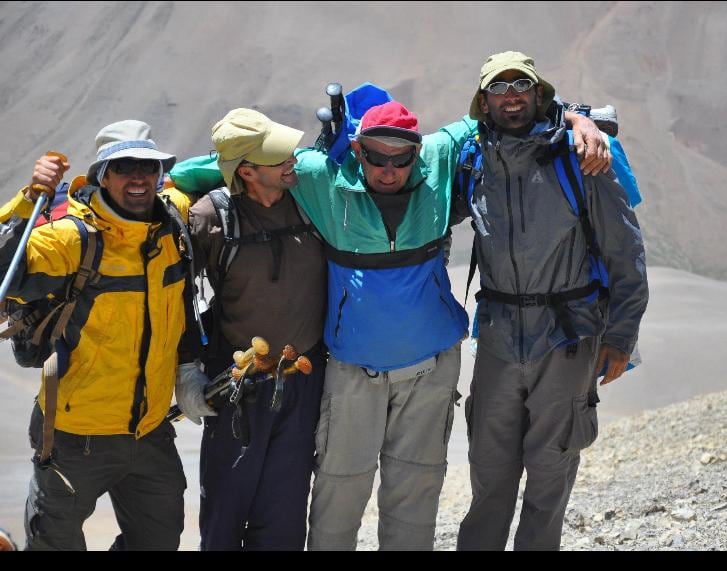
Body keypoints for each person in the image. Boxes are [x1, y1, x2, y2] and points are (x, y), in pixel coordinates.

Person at [289, 97, 609, 551]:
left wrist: (576, 118)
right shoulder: (320, 176)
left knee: (415, 496)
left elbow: (498, 108)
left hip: (430, 369)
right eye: (375, 157)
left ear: (416, 152)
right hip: (353, 370)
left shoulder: (438, 157)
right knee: (339, 492)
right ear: (358, 150)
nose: (387, 169)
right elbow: (235, 161)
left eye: (400, 159)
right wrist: (177, 190)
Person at [454, 51, 649, 551]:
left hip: (567, 337)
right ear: (484, 102)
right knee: (489, 476)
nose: (512, 96)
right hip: (497, 338)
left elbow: (626, 253)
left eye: (522, 85)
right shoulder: (473, 161)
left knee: (549, 475)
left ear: (540, 94)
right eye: (500, 88)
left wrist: (622, 337)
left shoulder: (581, 158)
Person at [0, 120, 190, 550]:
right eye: (124, 167)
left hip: (150, 432)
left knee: (158, 542)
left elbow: (215, 167)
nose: (138, 177)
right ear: (102, 176)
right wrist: (29, 198)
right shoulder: (72, 238)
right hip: (73, 435)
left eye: (148, 166)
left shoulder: (171, 223)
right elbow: (5, 274)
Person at [173, 108, 327, 550]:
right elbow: (176, 300)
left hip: (303, 377)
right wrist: (186, 370)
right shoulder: (210, 218)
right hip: (238, 385)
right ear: (247, 172)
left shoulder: (310, 200)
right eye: (278, 158)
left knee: (284, 513)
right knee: (225, 507)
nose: (290, 162)